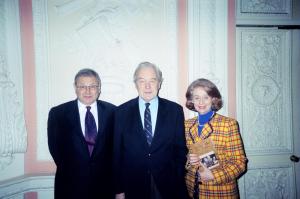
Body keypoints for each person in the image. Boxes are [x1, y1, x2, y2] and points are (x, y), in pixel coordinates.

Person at [113, 62, 189, 199]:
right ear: (135, 84)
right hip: (133, 185)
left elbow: (180, 150)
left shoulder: (175, 110)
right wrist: (119, 190)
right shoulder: (121, 112)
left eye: (152, 80)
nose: (147, 86)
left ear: (159, 83)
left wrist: (177, 178)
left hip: (168, 185)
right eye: (142, 81)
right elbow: (117, 154)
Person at [47, 68, 116, 199]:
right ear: (75, 87)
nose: (88, 91)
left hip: (105, 187)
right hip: (70, 186)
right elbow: (55, 149)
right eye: (82, 86)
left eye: (92, 86)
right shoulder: (58, 114)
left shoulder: (113, 112)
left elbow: (117, 149)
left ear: (99, 88)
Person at [184, 78, 247, 199]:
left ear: (213, 99)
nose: (201, 102)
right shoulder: (186, 125)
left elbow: (240, 163)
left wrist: (213, 175)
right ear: (192, 100)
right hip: (192, 191)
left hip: (220, 192)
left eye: (206, 97)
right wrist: (188, 159)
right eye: (197, 98)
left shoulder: (228, 124)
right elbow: (183, 157)